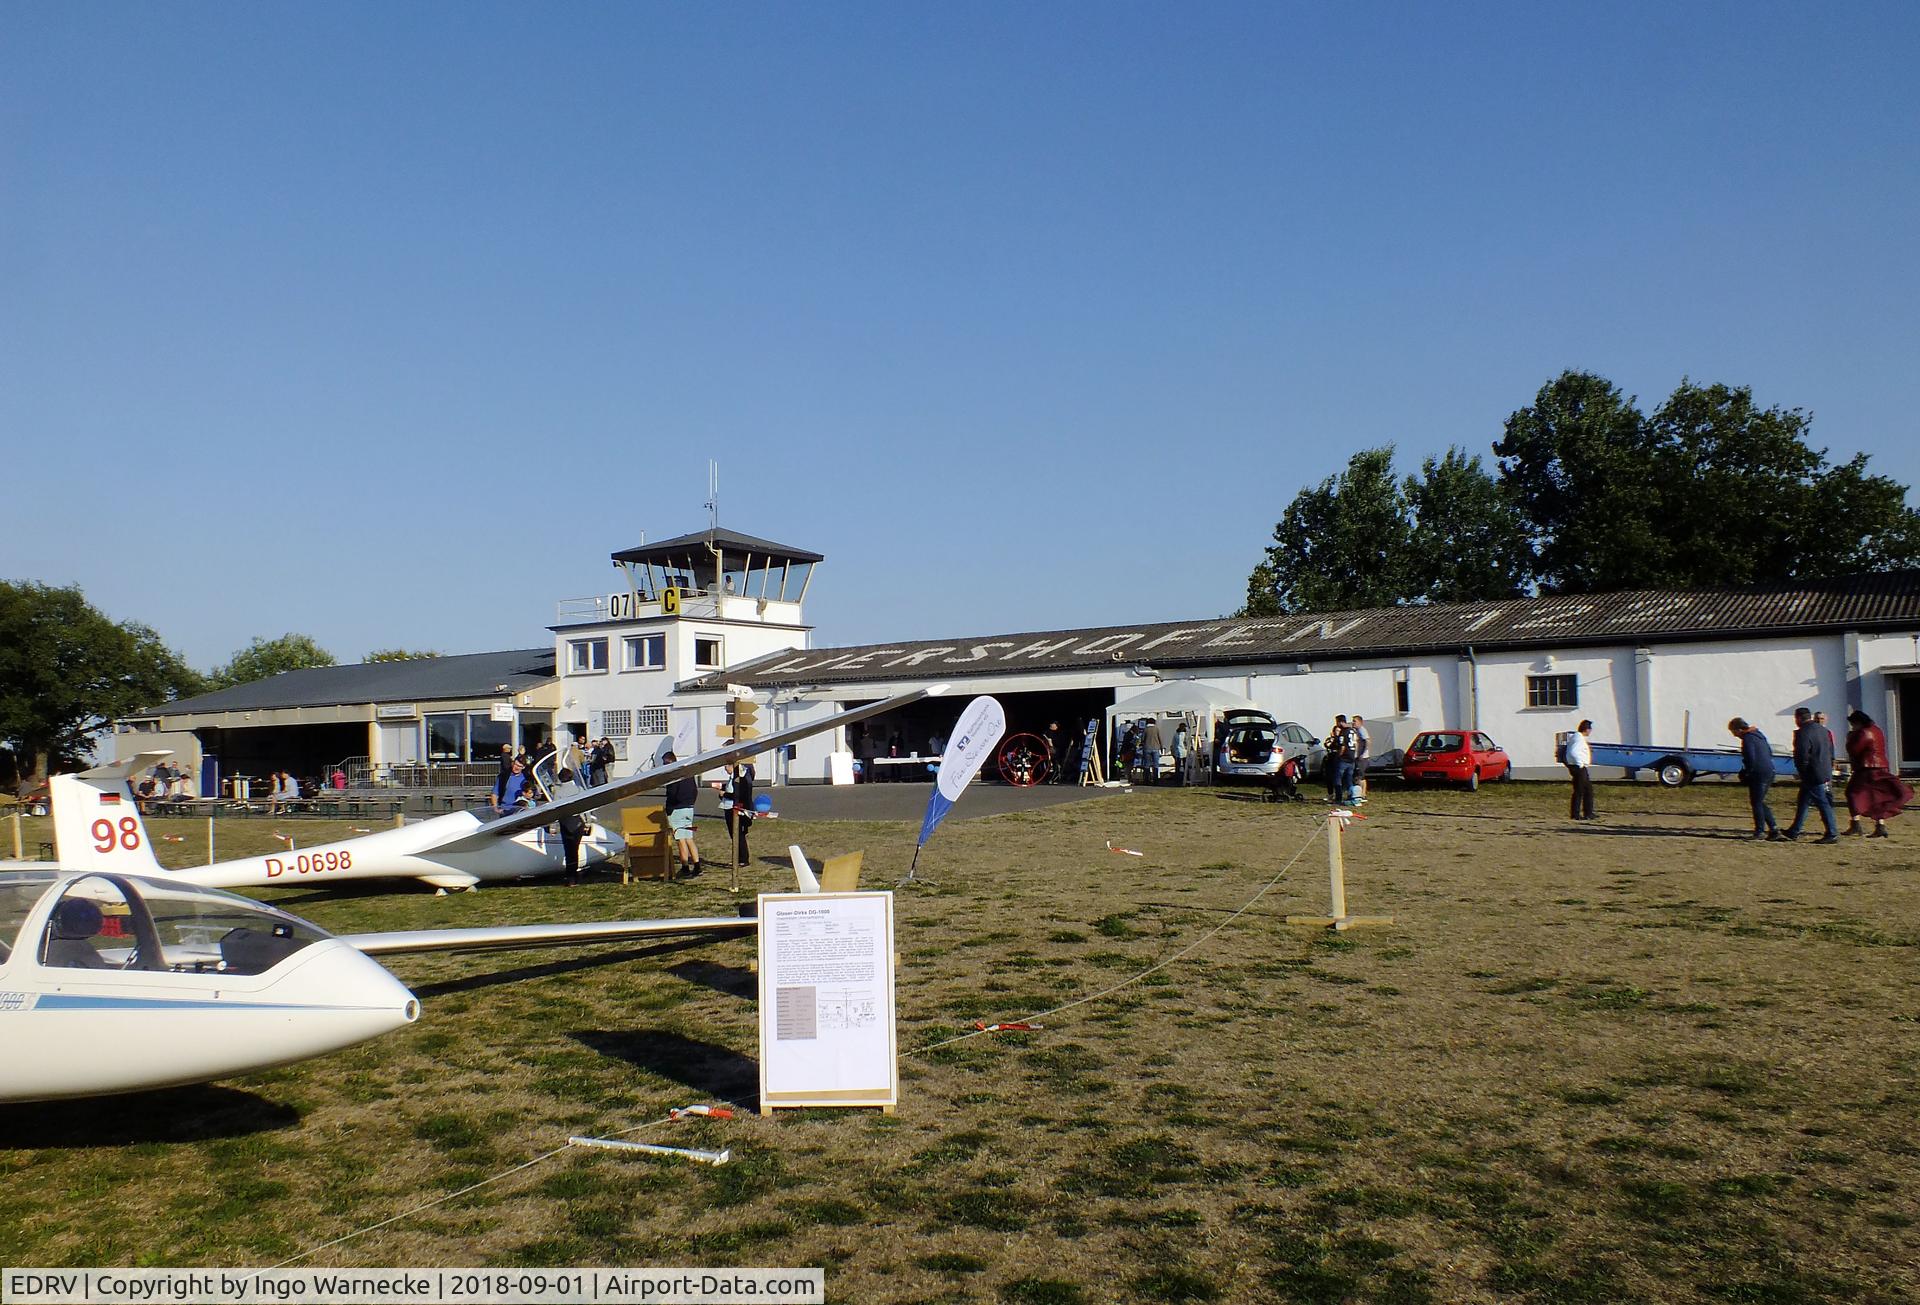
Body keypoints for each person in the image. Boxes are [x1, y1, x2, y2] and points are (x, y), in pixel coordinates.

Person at [1843, 710, 1913, 838]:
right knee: (1877, 796)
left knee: (1852, 793)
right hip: (1880, 765)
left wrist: (1850, 738)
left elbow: (1854, 749)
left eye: (1853, 724)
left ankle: (1856, 823)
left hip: (1867, 767)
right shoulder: (1876, 730)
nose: (1853, 727)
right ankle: (1880, 825)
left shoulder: (1863, 733)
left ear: (1858, 722)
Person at [1783, 707, 1839, 843]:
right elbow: (1830, 751)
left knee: (1822, 802)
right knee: (1803, 800)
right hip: (1823, 770)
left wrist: (1801, 771)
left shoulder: (1803, 732)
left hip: (1812, 773)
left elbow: (1802, 754)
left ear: (1798, 718)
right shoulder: (1823, 731)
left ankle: (1832, 833)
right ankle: (1794, 830)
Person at [1729, 718, 1782, 840]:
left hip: (1759, 773)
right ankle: (1774, 829)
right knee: (1760, 801)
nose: (1734, 735)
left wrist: (1746, 772)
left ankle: (1760, 831)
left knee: (1756, 802)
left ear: (1738, 729)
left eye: (1733, 732)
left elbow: (1750, 758)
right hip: (1769, 771)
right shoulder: (1759, 735)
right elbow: (1769, 752)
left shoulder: (1748, 739)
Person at [661, 750, 701, 877]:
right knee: (688, 837)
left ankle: (685, 867)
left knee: (680, 839)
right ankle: (697, 865)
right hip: (689, 808)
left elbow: (672, 794)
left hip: (677, 809)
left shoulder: (673, 775)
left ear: (668, 762)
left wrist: (668, 809)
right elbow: (695, 791)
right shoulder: (688, 773)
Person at [552, 767, 589, 886]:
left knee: (569, 851)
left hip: (565, 822)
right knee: (575, 849)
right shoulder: (579, 789)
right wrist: (588, 821)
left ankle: (571, 877)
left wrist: (553, 826)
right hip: (578, 822)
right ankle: (574, 876)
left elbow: (555, 810)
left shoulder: (558, 791)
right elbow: (585, 807)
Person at [723, 762, 755, 865]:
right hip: (729, 807)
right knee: (734, 835)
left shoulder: (739, 779)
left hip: (736, 808)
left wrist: (724, 794)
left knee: (738, 834)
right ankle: (738, 857)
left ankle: (743, 858)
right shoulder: (732, 778)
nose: (725, 768)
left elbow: (738, 794)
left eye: (727, 766)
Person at [1564, 720, 1596, 821]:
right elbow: (1574, 752)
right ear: (1587, 729)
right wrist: (1580, 764)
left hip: (1579, 767)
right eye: (1590, 729)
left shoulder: (1577, 737)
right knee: (1580, 790)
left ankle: (1588, 813)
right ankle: (1576, 814)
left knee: (1587, 790)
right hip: (1579, 768)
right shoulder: (1578, 739)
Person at [1349, 716, 1370, 803]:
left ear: (1360, 722)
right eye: (1353, 721)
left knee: (1360, 776)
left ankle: (1363, 794)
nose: (1353, 723)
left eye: (1355, 721)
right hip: (1358, 757)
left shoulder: (1362, 730)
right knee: (1357, 776)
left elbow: (1368, 741)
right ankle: (1358, 793)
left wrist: (1363, 753)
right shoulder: (1356, 731)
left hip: (1363, 758)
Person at [1140, 717, 1165, 785]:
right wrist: (1162, 747)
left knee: (1147, 765)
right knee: (1156, 765)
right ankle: (1156, 780)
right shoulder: (1156, 729)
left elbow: (1142, 739)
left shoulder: (1145, 729)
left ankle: (1146, 780)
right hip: (1156, 748)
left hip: (1147, 748)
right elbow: (1160, 738)